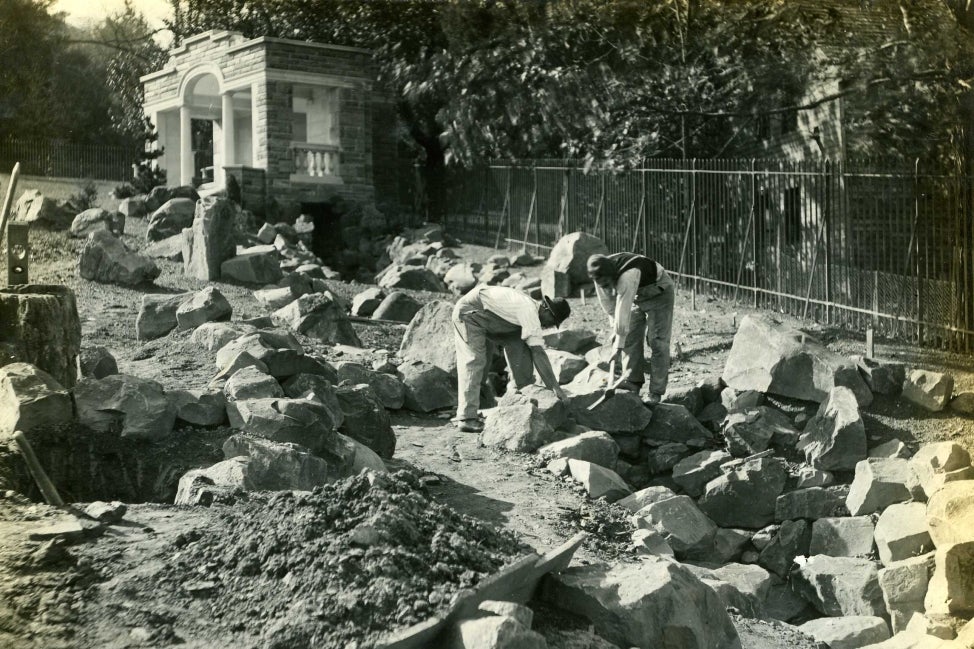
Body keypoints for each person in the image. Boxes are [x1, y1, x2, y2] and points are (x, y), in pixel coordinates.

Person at [452, 285, 572, 432]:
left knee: (520, 342)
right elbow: (538, 353)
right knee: (475, 361)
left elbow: (532, 350)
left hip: (490, 314)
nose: (548, 326)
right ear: (546, 309)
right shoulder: (529, 310)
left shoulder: (530, 309)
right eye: (551, 322)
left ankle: (522, 398)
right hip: (470, 313)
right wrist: (555, 388)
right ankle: (466, 418)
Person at [587, 252, 675, 405]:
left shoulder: (627, 276)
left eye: (608, 283)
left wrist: (617, 347)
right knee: (629, 337)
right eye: (602, 284)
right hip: (636, 295)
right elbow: (611, 307)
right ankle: (632, 382)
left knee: (657, 342)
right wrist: (616, 334)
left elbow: (623, 309)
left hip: (658, 291)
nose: (606, 287)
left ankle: (655, 392)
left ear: (612, 275)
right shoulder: (599, 275)